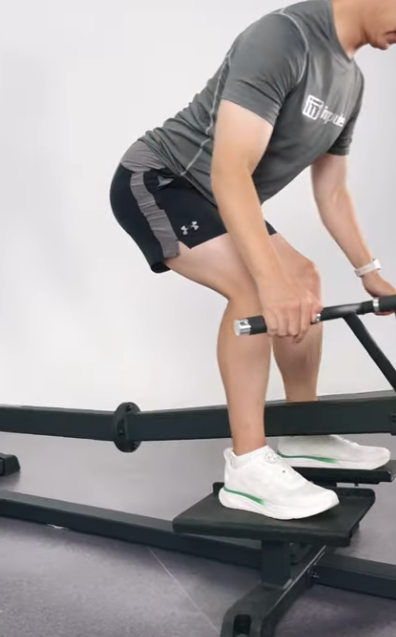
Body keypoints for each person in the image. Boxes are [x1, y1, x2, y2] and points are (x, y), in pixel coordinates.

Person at [109, 0, 396, 520]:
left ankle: (302, 433)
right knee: (255, 289)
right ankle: (247, 467)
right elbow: (230, 169)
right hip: (162, 181)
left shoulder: (350, 83)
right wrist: (270, 281)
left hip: (218, 196)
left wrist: (369, 272)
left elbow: (331, 191)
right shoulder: (284, 37)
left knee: (302, 275)